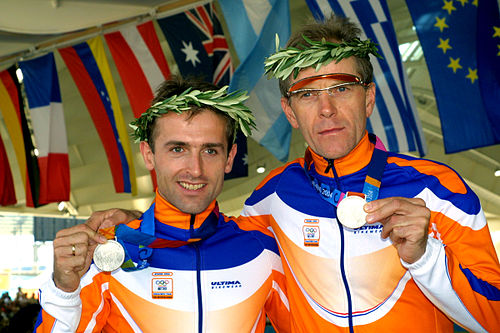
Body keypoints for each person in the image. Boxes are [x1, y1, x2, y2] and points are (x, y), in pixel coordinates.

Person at [55, 14, 500, 332]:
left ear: (368, 99)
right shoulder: (269, 200)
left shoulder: (439, 189)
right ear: (289, 110)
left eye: (342, 88)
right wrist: (132, 226)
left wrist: (426, 258)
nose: (327, 109)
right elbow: (198, 231)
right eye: (308, 95)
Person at [34, 77, 290, 332]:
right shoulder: (106, 253)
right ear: (149, 154)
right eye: (178, 149)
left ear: (229, 158)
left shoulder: (262, 248)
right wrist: (64, 292)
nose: (195, 169)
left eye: (210, 150)